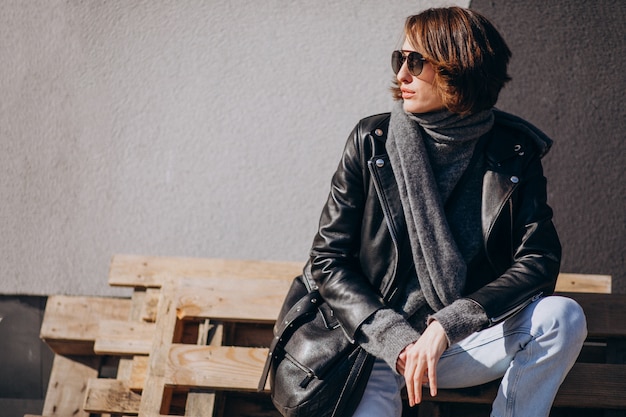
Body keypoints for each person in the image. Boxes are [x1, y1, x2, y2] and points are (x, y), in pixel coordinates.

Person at [306, 6, 587, 417]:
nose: (401, 74)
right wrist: (394, 338)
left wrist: (449, 323)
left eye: (416, 62)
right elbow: (328, 260)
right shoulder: (372, 142)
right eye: (398, 59)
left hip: (461, 340)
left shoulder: (513, 152)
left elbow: (538, 260)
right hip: (377, 344)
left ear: (459, 69)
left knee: (562, 316)